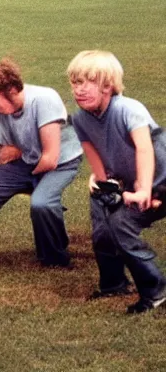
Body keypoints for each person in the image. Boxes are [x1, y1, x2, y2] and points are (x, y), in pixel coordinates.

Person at [0, 58, 82, 266]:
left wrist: (37, 187)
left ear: (12, 91)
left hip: (60, 161)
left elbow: (50, 158)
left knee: (42, 203)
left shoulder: (44, 99)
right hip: (28, 160)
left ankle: (55, 257)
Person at [67, 50, 166, 313]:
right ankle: (113, 283)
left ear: (108, 86)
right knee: (102, 218)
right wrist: (103, 183)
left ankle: (155, 291)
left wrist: (144, 189)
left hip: (160, 182)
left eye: (89, 82)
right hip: (132, 184)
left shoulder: (128, 108)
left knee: (121, 224)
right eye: (76, 82)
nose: (79, 89)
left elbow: (144, 149)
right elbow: (94, 154)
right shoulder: (80, 118)